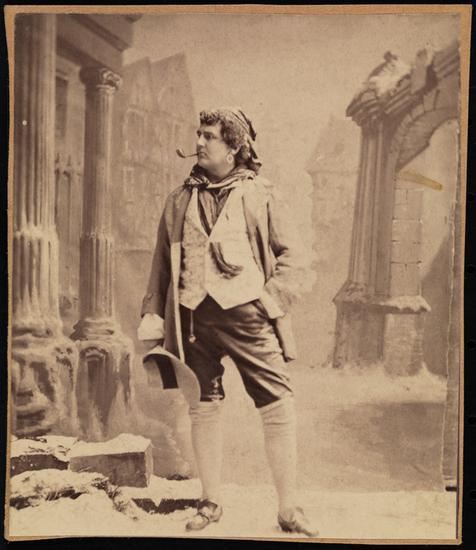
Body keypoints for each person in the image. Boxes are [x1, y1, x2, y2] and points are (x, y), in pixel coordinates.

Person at [137, 107, 318, 537]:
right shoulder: (179, 199)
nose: (199, 142)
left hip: (248, 316)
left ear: (234, 147)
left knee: (277, 404)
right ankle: (211, 500)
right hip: (192, 316)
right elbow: (161, 263)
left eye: (209, 136)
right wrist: (153, 312)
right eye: (198, 134)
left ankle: (288, 509)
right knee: (203, 408)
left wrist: (269, 301)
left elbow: (295, 256)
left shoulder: (260, 194)